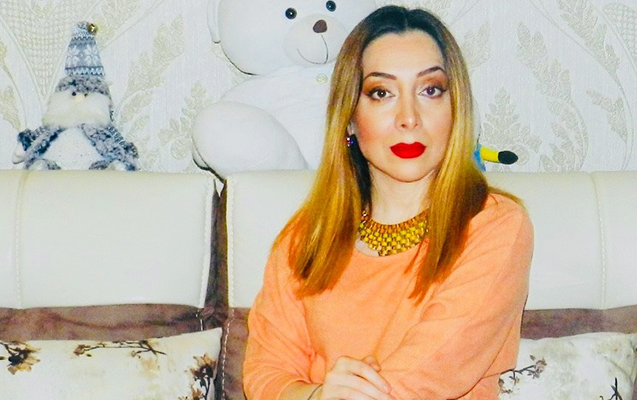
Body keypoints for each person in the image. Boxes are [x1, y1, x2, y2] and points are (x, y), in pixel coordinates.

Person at [243, 5, 533, 400]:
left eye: (430, 90)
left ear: (456, 108)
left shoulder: (494, 225)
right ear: (349, 117)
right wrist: (319, 396)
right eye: (382, 93)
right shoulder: (305, 238)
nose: (408, 118)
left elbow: (432, 367)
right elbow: (265, 374)